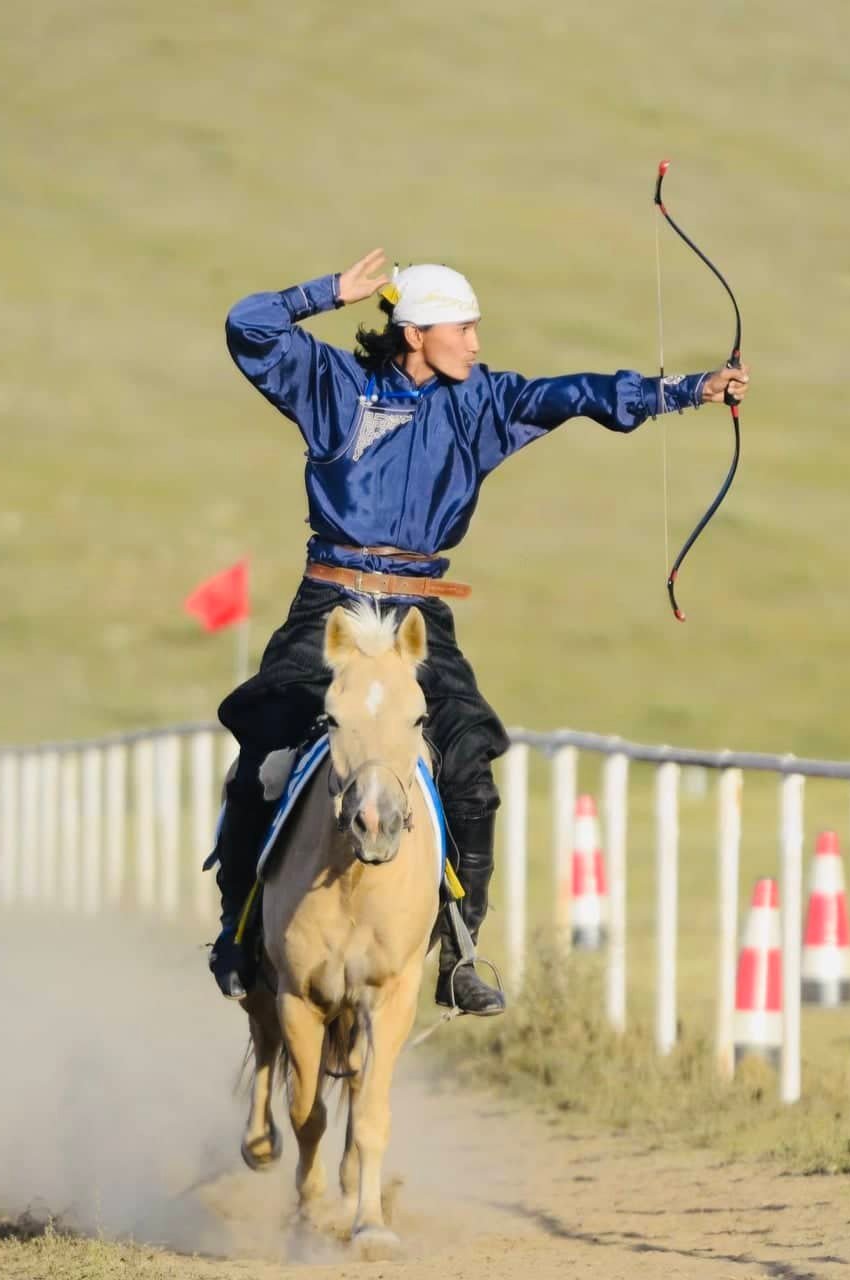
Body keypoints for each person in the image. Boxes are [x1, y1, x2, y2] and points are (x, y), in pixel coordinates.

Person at [206, 248, 752, 1014]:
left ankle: (459, 951)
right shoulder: (331, 385)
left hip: (419, 617)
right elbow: (248, 325)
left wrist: (689, 390)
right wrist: (328, 292)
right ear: (418, 333)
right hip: (328, 607)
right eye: (464, 329)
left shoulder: (482, 402)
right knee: (266, 752)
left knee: (470, 769)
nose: (476, 344)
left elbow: (578, 394)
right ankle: (237, 931)